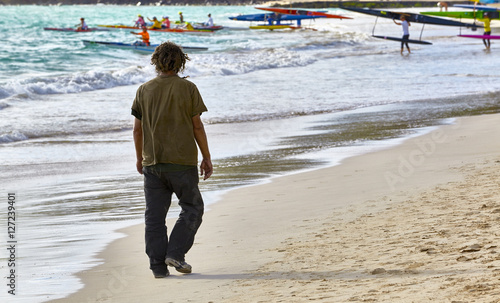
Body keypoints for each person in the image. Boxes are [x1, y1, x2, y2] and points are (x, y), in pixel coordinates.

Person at [131, 41, 213, 279]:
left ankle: (157, 266)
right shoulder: (188, 89)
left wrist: (140, 158)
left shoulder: (144, 90)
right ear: (180, 62)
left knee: (154, 216)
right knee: (192, 208)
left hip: (153, 163)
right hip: (182, 162)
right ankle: (175, 253)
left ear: (156, 62)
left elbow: (138, 130)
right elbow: (197, 126)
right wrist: (206, 157)